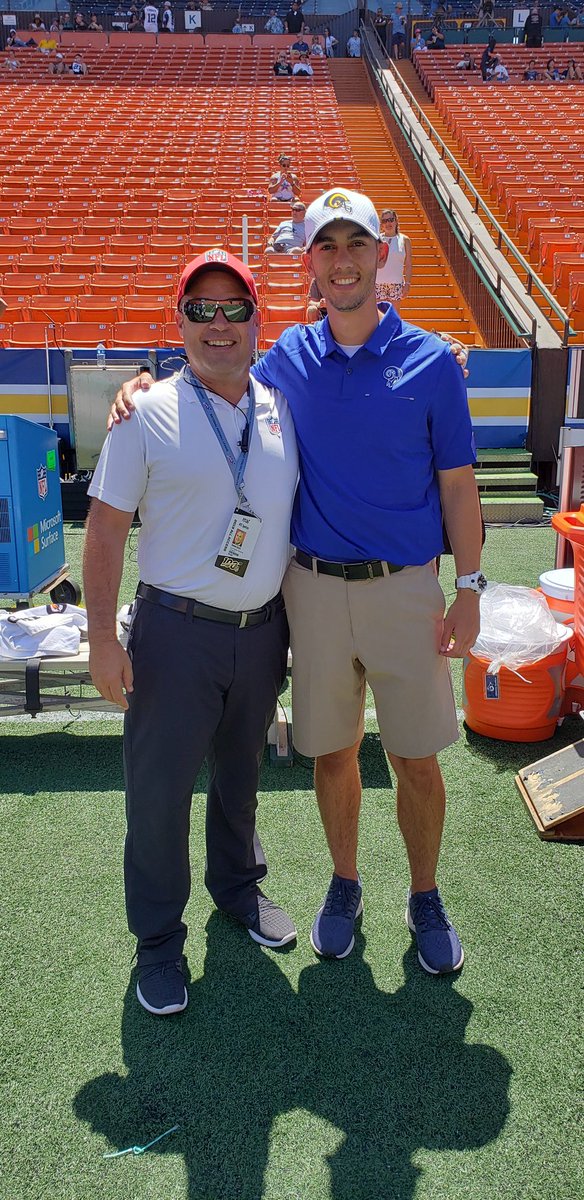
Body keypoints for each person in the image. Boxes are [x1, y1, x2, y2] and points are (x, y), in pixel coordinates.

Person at [110, 190, 479, 979]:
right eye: (327, 247)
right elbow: (209, 367)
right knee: (332, 753)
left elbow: (458, 485)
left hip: (401, 590)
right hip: (306, 593)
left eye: (357, 244)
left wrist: (473, 586)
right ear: (309, 262)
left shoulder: (430, 362)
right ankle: (342, 885)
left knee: (414, 759)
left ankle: (424, 895)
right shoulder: (287, 360)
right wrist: (141, 378)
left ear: (380, 253)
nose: (343, 261)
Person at [85, 250, 299, 1016]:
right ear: (178, 323)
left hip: (261, 632)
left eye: (234, 308)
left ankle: (238, 889)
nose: (218, 323)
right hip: (174, 635)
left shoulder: (281, 407)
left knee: (241, 780)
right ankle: (157, 943)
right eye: (200, 309)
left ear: (256, 320)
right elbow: (105, 529)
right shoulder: (145, 411)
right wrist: (101, 639)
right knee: (160, 796)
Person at [375, 208, 412, 309]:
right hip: (378, 283)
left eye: (391, 220)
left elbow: (408, 264)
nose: (388, 223)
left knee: (393, 315)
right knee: (379, 315)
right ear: (382, 224)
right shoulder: (377, 240)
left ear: (396, 221)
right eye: (385, 221)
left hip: (396, 284)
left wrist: (407, 284)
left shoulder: (404, 240)